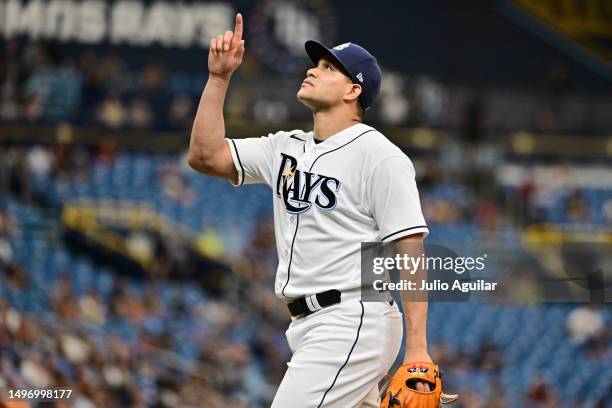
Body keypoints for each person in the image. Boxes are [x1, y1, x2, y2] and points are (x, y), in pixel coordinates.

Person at [188, 13, 433, 407]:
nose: (312, 70)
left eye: (327, 67)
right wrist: (218, 80)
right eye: (315, 63)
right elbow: (204, 156)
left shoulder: (380, 156)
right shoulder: (285, 147)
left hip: (352, 318)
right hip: (308, 325)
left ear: (354, 91)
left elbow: (409, 249)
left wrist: (418, 350)